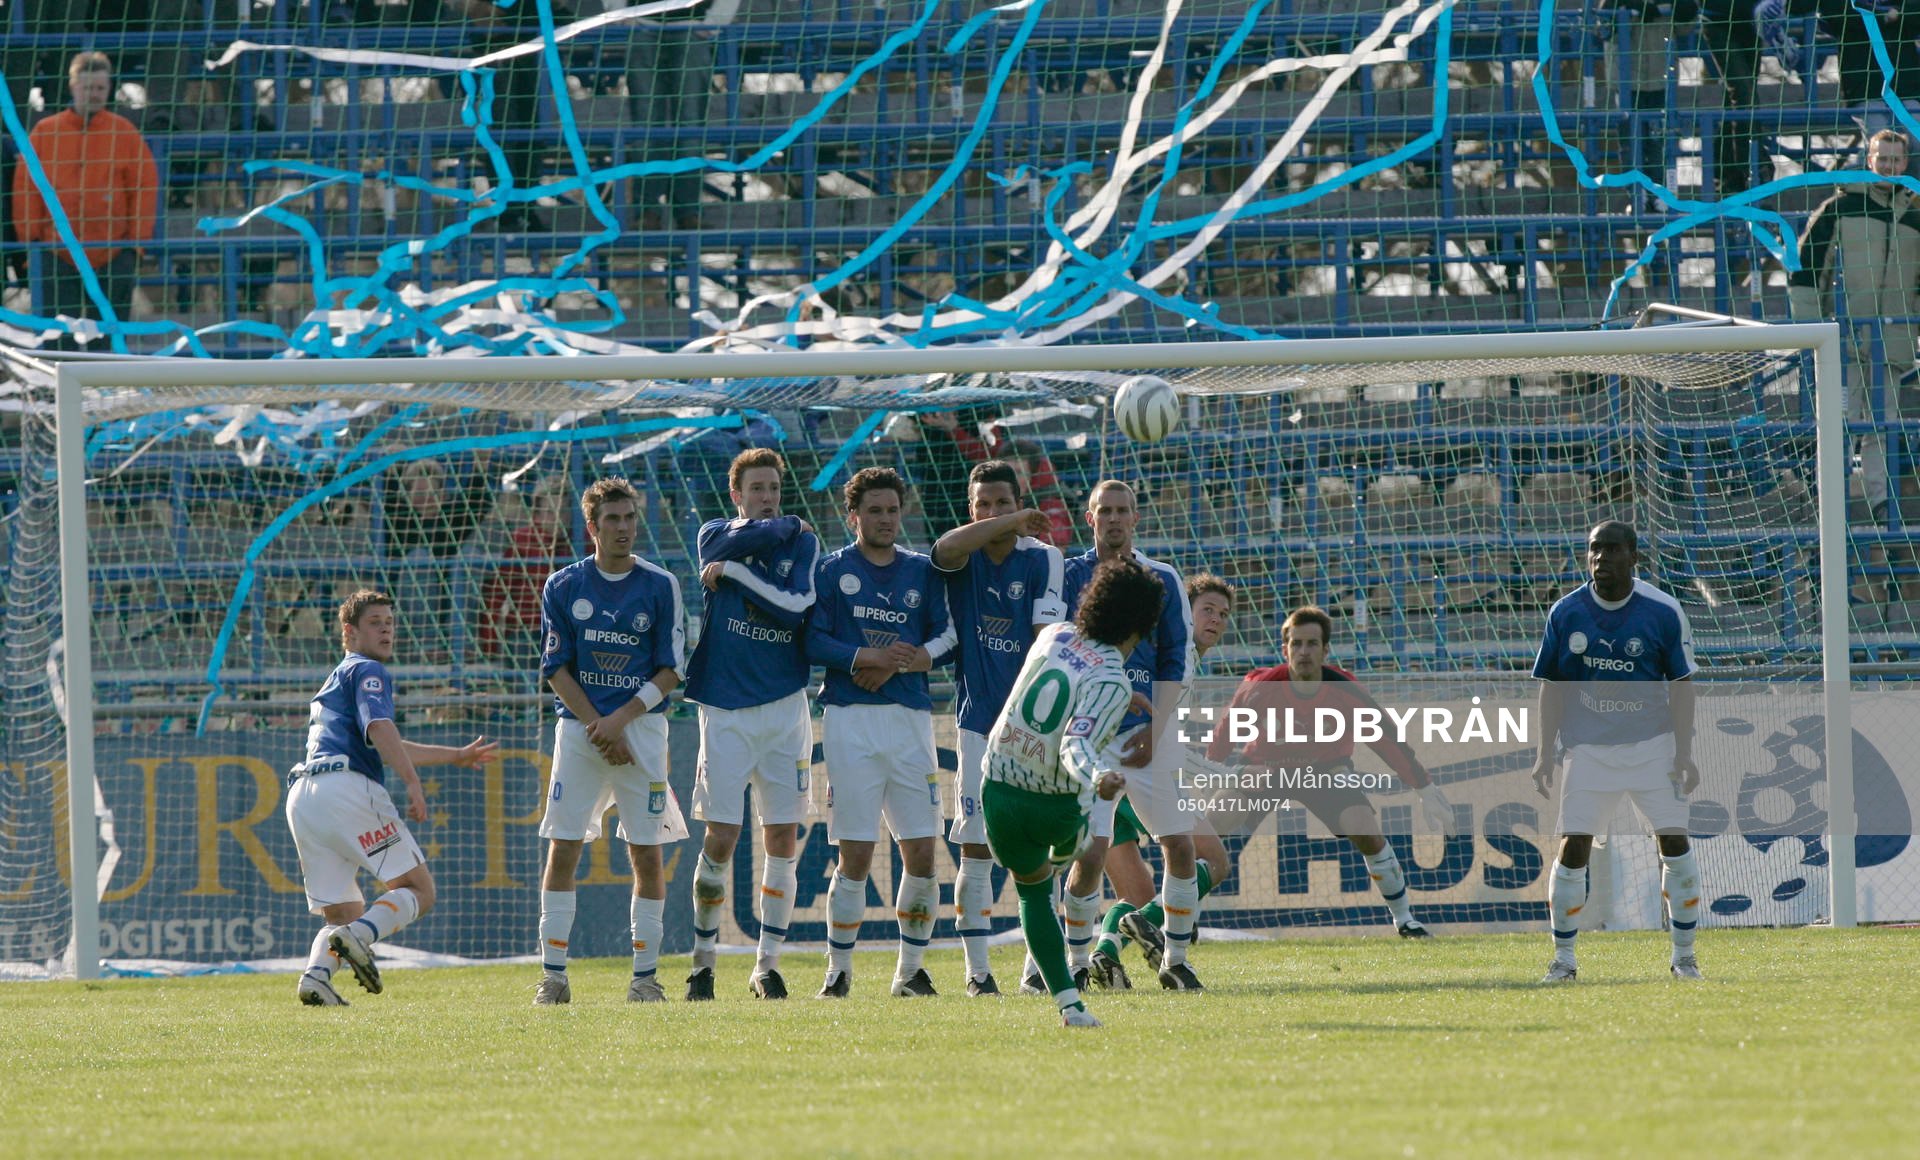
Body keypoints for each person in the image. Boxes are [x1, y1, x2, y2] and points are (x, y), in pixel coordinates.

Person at [1201, 604, 1462, 943]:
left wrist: (1424, 788)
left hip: (1326, 771)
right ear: (1285, 649)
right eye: (1296, 644)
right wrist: (1211, 780)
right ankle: (1180, 917)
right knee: (1212, 823)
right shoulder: (1260, 687)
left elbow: (1388, 741)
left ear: (1326, 650)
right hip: (1265, 769)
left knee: (1364, 828)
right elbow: (1223, 737)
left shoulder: (1346, 690)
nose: (1304, 651)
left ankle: (1405, 920)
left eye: (1312, 644)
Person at [288, 590, 498, 1006]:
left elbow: (388, 740)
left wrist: (455, 756)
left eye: (390, 621)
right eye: (375, 623)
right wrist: (412, 783)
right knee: (418, 889)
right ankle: (358, 938)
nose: (386, 629)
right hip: (345, 789)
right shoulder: (369, 670)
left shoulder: (338, 675)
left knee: (343, 909)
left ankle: (316, 977)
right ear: (349, 633)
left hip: (304, 795)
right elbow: (382, 730)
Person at [981, 558, 1165, 1028]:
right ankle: (1076, 857)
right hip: (1053, 802)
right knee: (1083, 844)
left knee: (1032, 891)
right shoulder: (1112, 678)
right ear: (1142, 625)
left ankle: (1068, 1004)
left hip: (998, 785)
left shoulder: (1054, 634)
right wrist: (1098, 774)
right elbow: (1076, 744)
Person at [532, 477, 690, 1005]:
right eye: (613, 520)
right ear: (592, 528)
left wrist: (619, 720)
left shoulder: (660, 583)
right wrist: (601, 727)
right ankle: (553, 977)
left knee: (647, 854)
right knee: (565, 846)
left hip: (641, 728)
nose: (623, 528)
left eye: (629, 519)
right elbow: (555, 668)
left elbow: (671, 670)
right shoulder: (563, 585)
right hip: (580, 731)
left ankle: (644, 979)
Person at [1042, 480, 1202, 992]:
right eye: (1104, 511)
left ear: (1136, 519)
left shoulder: (1163, 578)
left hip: (1146, 734)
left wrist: (1159, 728)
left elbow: (1175, 659)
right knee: (1089, 852)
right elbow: (1055, 650)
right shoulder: (1067, 575)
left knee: (1179, 845)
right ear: (1089, 518)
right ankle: (1078, 962)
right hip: (1089, 735)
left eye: (1123, 511)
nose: (1114, 519)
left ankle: (1174, 960)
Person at [805, 466, 957, 999]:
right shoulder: (830, 572)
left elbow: (948, 636)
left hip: (911, 722)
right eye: (874, 510)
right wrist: (863, 657)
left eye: (893, 509)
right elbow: (813, 642)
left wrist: (904, 663)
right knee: (855, 856)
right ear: (854, 517)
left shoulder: (923, 571)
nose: (886, 518)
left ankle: (910, 971)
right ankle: (838, 972)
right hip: (849, 723)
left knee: (922, 851)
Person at [1530, 520, 1704, 983]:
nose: (1600, 558)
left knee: (1675, 844)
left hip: (1653, 747)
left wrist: (1683, 753)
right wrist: (1545, 751)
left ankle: (1684, 959)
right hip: (1588, 750)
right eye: (1593, 550)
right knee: (1573, 847)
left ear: (1634, 557)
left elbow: (1682, 685)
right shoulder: (1567, 612)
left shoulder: (1662, 612)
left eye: (1611, 550)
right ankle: (1563, 961)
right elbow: (1552, 685)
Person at [681, 448, 820, 1002]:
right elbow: (714, 550)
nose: (766, 497)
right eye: (756, 489)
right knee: (721, 836)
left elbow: (797, 607)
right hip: (725, 709)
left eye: (774, 489)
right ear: (736, 494)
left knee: (782, 837)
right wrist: (752, 545)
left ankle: (766, 966)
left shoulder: (802, 541)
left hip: (785, 706)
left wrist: (736, 573)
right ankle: (702, 964)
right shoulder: (714, 532)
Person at [930, 459, 1066, 996]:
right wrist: (1003, 524)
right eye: (981, 505)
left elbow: (1044, 638)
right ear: (971, 510)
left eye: (1002, 504)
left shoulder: (1044, 558)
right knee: (975, 848)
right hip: (976, 723)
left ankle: (1036, 968)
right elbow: (942, 550)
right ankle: (977, 973)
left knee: (1040, 849)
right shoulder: (959, 559)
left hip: (1032, 726)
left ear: (1020, 504)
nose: (991, 512)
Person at [1086, 573, 1238, 990]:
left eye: (1223, 614)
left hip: (1111, 765)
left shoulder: (1179, 656)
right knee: (1215, 861)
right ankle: (1158, 941)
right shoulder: (1176, 654)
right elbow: (1152, 725)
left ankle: (1105, 954)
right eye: (1207, 609)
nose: (1216, 620)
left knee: (1137, 893)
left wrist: (1208, 768)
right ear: (1183, 614)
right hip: (1132, 768)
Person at [1788, 128, 1920, 528]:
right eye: (1883, 158)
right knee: (1837, 421)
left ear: (1906, 163)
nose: (1890, 166)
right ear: (1869, 160)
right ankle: (1828, 497)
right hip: (1840, 343)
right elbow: (1807, 272)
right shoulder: (1839, 207)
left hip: (1893, 340)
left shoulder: (1916, 213)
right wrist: (1808, 332)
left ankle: (1880, 502)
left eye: (1897, 159)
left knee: (1883, 424)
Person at [10, 51, 157, 349]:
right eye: (87, 87)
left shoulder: (124, 133)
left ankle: (110, 393)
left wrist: (134, 245)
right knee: (56, 341)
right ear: (72, 86)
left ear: (109, 89)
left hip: (112, 254)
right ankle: (53, 395)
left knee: (110, 342)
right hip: (56, 253)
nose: (94, 94)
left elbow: (143, 187)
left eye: (100, 88)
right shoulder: (45, 132)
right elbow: (26, 188)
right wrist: (33, 241)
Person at [479, 474, 573, 660]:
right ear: (536, 514)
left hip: (572, 631)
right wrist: (490, 646)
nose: (558, 518)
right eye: (549, 512)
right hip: (529, 630)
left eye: (564, 511)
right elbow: (497, 595)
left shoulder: (584, 541)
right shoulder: (521, 542)